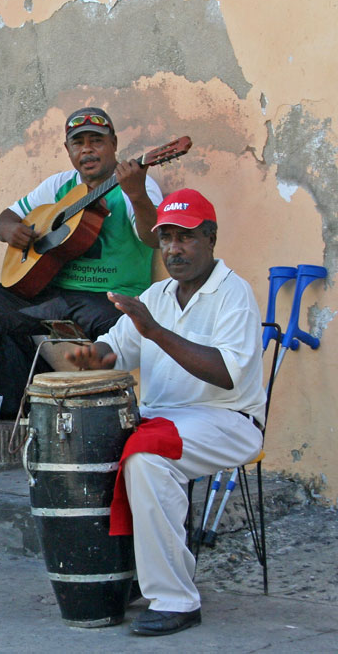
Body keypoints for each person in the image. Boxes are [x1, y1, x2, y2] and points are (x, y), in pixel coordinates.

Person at [65, 188, 266, 636]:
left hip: (227, 419)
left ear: (211, 238)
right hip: (164, 420)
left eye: (186, 238)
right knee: (100, 448)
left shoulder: (234, 294)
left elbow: (226, 374)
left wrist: (154, 331)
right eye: (167, 238)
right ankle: (128, 575)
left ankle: (176, 599)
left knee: (147, 457)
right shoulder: (156, 294)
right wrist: (88, 354)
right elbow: (115, 352)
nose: (174, 249)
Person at [0, 107, 163, 429]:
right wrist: (11, 230)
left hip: (109, 301)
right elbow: (5, 219)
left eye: (96, 141)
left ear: (113, 144)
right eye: (78, 143)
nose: (87, 149)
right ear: (68, 150)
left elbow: (153, 239)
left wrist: (137, 195)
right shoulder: (59, 185)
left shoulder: (138, 186)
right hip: (54, 296)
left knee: (126, 325)